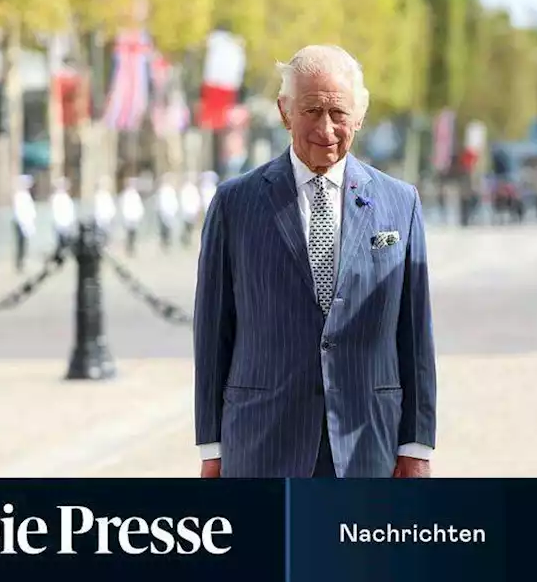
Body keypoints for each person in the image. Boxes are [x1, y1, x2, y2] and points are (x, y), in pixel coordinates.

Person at [194, 44, 437, 478]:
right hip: (262, 441)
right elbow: (213, 333)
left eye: (338, 113)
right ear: (285, 112)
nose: (326, 127)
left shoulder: (401, 204)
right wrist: (211, 447)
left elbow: (415, 334)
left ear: (359, 116)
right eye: (311, 110)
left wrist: (416, 445)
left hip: (368, 444)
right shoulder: (235, 204)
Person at [12, 175, 37, 271]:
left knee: (24, 244)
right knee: (20, 244)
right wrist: (23, 224)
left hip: (26, 224)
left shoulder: (26, 195)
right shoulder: (20, 196)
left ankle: (22, 261)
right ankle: (19, 263)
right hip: (20, 223)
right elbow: (20, 212)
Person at [119, 178, 145, 256]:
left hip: (134, 217)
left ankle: (132, 247)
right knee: (128, 233)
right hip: (128, 217)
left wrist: (139, 215)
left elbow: (139, 206)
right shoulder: (125, 195)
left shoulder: (135, 195)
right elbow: (123, 206)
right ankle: (129, 248)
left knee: (133, 234)